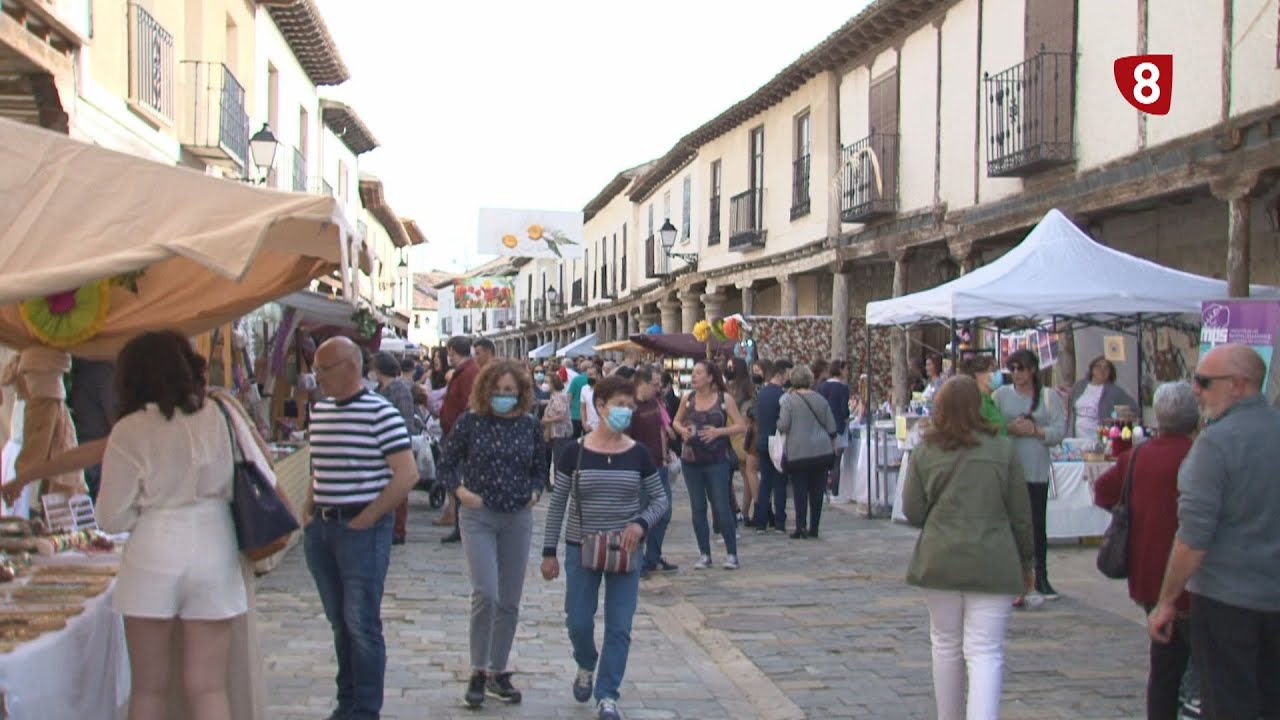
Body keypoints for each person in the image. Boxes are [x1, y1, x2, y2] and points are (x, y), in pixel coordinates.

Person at [92, 331, 262, 720]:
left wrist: (147, 511)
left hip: (154, 549)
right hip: (214, 544)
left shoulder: (130, 430)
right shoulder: (218, 416)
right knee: (208, 686)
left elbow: (110, 516)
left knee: (149, 688)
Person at [1147, 344, 1280, 720]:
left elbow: (1193, 538)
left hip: (1228, 601)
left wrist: (1167, 600)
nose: (1195, 390)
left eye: (1204, 382)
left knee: (1227, 703)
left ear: (1238, 385)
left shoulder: (1215, 444)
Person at [902, 376, 1034, 720]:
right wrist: (1028, 561)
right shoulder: (1002, 449)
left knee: (945, 646)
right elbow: (1021, 513)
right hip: (993, 557)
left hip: (940, 556)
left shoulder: (926, 450)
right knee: (986, 651)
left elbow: (913, 511)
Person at [541, 375, 670, 720]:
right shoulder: (574, 452)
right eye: (619, 405)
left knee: (620, 626)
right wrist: (548, 551)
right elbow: (558, 504)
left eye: (630, 406)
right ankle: (585, 661)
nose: (625, 412)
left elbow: (660, 499)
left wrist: (640, 524)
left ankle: (608, 693)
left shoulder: (638, 454)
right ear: (600, 407)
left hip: (626, 549)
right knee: (578, 621)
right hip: (581, 547)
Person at [303, 336, 417, 720]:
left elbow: (406, 474)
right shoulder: (319, 411)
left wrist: (367, 518)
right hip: (322, 528)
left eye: (323, 368)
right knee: (339, 622)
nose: (316, 376)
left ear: (350, 367)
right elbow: (317, 466)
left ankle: (365, 709)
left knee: (361, 623)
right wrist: (308, 511)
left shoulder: (379, 412)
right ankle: (346, 703)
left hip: (360, 530)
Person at [438, 359, 547, 709]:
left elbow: (540, 468)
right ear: (487, 391)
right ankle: (477, 668)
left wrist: (534, 490)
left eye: (510, 392)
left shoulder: (529, 426)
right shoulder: (471, 422)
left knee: (510, 599)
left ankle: (498, 671)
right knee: (486, 591)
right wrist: (459, 492)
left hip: (517, 515)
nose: (504, 396)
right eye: (499, 391)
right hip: (479, 514)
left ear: (521, 394)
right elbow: (446, 462)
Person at [1094, 381, 1198, 720]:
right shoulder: (1198, 455)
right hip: (1194, 574)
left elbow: (1102, 491)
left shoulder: (1138, 454)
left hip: (1149, 572)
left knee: (1164, 665)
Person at [993, 349, 1064, 601]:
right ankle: (1011, 575)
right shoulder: (1001, 396)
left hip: (1035, 469)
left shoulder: (1048, 397)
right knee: (1010, 523)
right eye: (1012, 369)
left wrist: (1037, 431)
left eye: (1021, 369)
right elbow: (990, 425)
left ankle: (1040, 575)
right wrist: (1009, 428)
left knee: (1036, 523)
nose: (1017, 374)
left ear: (1032, 370)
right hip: (1009, 468)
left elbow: (1058, 430)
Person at [672, 360, 747, 569]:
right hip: (691, 460)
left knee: (721, 505)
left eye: (698, 373)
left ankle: (732, 553)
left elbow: (740, 425)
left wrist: (718, 432)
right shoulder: (688, 399)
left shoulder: (724, 399)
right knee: (698, 507)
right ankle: (704, 553)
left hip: (717, 460)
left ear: (710, 377)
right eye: (693, 373)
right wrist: (682, 431)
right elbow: (675, 421)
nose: (694, 377)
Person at [778, 364, 837, 539]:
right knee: (817, 490)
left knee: (800, 490)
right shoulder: (821, 399)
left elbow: (783, 425)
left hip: (798, 452)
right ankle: (815, 527)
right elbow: (831, 427)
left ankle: (800, 526)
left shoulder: (788, 401)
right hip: (820, 450)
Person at [629, 365, 677, 575]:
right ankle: (637, 561)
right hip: (639, 469)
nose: (658, 388)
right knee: (640, 515)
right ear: (642, 383)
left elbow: (660, 431)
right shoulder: (630, 405)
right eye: (655, 384)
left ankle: (653, 557)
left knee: (664, 513)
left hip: (659, 464)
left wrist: (665, 456)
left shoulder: (654, 402)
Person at [373, 351, 420, 546]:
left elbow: (406, 419)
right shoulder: (380, 389)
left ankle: (398, 530)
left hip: (395, 447)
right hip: (380, 447)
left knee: (398, 489)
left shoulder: (398, 389)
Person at [438, 336, 481, 543]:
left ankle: (462, 526)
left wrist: (461, 431)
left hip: (460, 436)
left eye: (449, 353)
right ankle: (458, 525)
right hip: (455, 432)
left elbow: (469, 403)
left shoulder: (468, 373)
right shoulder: (465, 371)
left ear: (453, 351)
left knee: (460, 479)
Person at [752, 359, 792, 533]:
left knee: (765, 482)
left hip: (762, 439)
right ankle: (780, 522)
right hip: (777, 442)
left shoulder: (761, 393)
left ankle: (761, 521)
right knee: (779, 482)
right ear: (780, 375)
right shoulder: (783, 395)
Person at [1067, 355, 1137, 439]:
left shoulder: (1114, 391)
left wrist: (1113, 415)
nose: (1102, 370)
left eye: (1106, 368)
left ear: (1110, 372)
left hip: (1099, 439)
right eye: (1098, 366)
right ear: (1092, 370)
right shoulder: (1079, 386)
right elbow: (1070, 409)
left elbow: (1135, 409)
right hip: (1076, 439)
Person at [725, 356, 757, 524]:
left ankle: (743, 510)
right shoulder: (736, 388)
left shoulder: (743, 390)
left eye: (731, 367)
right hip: (731, 434)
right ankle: (738, 508)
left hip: (739, 435)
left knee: (746, 474)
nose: (729, 370)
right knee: (734, 476)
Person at [818, 359, 851, 497]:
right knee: (837, 462)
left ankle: (823, 489)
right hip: (838, 427)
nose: (848, 372)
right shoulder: (843, 388)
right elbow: (844, 410)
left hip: (823, 428)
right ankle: (835, 492)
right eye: (846, 369)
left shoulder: (822, 387)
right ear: (841, 370)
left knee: (825, 462)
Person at [959, 355, 1007, 434]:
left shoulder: (989, 400)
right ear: (978, 375)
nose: (998, 374)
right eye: (993, 370)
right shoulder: (978, 402)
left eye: (998, 370)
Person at [568, 358, 591, 437]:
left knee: (574, 437)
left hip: (575, 414)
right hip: (588, 414)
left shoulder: (576, 379)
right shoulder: (592, 379)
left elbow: (570, 396)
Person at [580, 364, 602, 433]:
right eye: (588, 375)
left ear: (599, 376)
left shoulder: (606, 389)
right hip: (589, 427)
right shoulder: (584, 389)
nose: (589, 377)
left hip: (603, 428)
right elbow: (583, 407)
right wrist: (584, 423)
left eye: (591, 375)